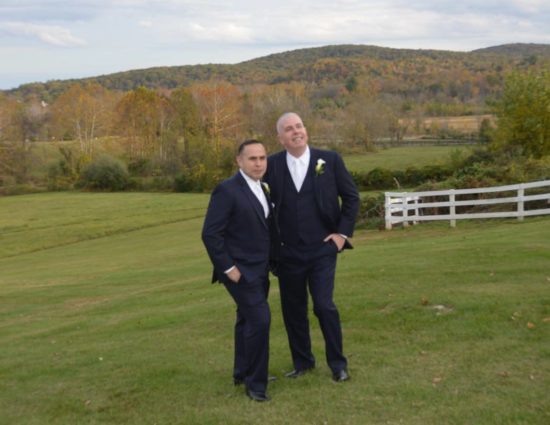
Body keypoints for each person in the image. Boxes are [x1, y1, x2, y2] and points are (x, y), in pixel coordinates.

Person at [264, 112, 359, 382]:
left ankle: (338, 364)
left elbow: (351, 198)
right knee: (293, 310)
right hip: (287, 252)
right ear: (280, 138)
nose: (296, 131)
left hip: (322, 249)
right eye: (289, 129)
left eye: (299, 126)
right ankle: (303, 362)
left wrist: (341, 235)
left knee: (324, 305)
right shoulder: (270, 165)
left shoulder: (329, 160)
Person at [201, 140, 273, 402]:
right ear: (239, 161)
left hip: (261, 270)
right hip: (240, 272)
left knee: (246, 321)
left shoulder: (262, 187)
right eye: (252, 158)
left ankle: (242, 372)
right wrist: (229, 268)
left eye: (262, 158)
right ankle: (256, 385)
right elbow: (210, 234)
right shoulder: (227, 190)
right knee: (260, 320)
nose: (258, 163)